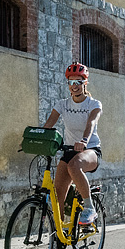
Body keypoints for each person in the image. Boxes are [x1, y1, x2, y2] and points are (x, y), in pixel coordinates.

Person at [42, 62, 102, 226]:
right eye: (71, 82)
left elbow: (91, 123)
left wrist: (84, 140)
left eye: (78, 82)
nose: (74, 86)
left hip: (90, 150)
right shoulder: (62, 104)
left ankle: (89, 208)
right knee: (57, 195)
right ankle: (58, 238)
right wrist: (35, 139)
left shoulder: (94, 104)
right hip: (70, 151)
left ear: (85, 83)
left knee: (74, 166)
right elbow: (49, 124)